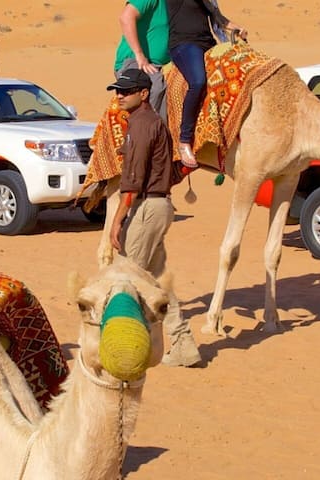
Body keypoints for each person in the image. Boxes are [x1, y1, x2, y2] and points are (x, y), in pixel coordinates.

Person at [105, 68, 200, 367]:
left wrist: (117, 220)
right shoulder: (148, 123)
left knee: (125, 277)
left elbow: (132, 181)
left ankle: (123, 346)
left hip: (147, 208)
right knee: (157, 282)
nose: (119, 96)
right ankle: (183, 345)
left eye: (126, 91)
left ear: (143, 93)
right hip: (157, 206)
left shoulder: (143, 126)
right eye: (118, 91)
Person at [165, 0, 244, 163]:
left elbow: (218, 20)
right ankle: (184, 140)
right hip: (184, 44)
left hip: (207, 42)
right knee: (198, 81)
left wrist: (237, 35)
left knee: (235, 72)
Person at [113, 0, 171, 111]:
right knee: (156, 88)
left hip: (160, 65)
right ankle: (144, 126)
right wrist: (139, 54)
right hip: (136, 62)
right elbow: (126, 17)